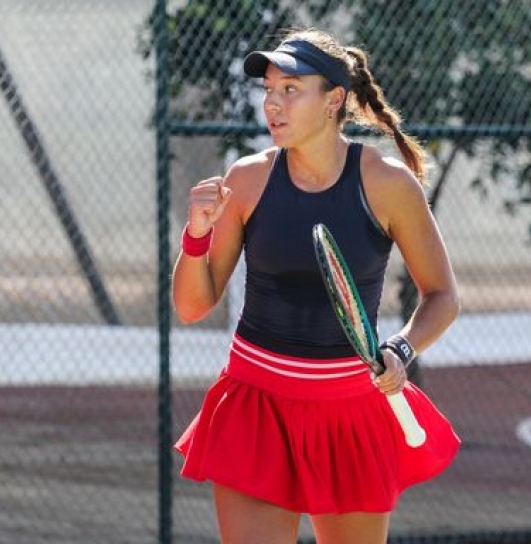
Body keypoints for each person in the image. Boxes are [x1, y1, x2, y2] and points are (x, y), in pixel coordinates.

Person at [172, 28, 460, 544]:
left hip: (352, 414)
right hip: (256, 407)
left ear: (334, 100)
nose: (273, 105)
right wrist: (195, 235)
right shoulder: (246, 180)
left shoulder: (388, 183)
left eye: (291, 89)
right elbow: (193, 306)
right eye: (269, 90)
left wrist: (400, 347)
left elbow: (442, 295)